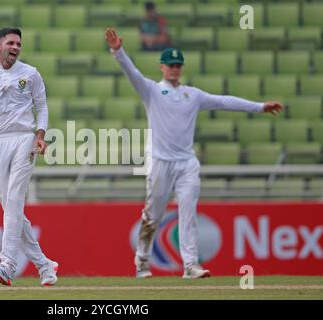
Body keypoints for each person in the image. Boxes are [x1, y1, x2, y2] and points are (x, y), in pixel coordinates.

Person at [105, 27, 283, 279]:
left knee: (188, 211)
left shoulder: (193, 95)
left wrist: (259, 107)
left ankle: (190, 264)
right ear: (162, 67)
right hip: (160, 162)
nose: (174, 69)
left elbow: (224, 101)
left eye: (178, 65)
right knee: (153, 215)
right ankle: (142, 260)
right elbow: (132, 74)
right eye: (170, 65)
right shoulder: (152, 91)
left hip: (186, 163)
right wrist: (118, 51)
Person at [0, 27, 58, 286]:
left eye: (19, 43)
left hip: (24, 140)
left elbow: (41, 106)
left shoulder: (30, 74)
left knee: (15, 200)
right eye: (11, 43)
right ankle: (44, 264)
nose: (16, 47)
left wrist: (40, 136)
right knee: (11, 207)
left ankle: (8, 264)